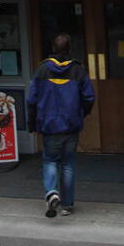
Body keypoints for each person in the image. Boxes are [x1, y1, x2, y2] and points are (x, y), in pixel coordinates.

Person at [26, 33, 95, 218]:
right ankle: (67, 205)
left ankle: (52, 192)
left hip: (49, 125)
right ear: (69, 48)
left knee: (50, 160)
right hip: (71, 124)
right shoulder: (78, 70)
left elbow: (31, 99)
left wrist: (31, 124)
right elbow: (89, 97)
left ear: (53, 48)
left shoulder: (42, 70)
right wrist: (82, 114)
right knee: (68, 164)